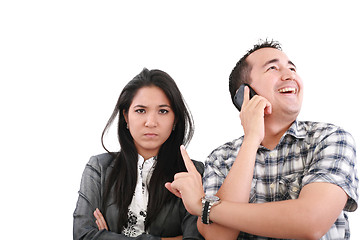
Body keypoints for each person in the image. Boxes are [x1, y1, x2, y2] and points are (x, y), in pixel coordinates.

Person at [166, 40, 359, 239]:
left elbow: (311, 221)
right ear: (244, 94)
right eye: (273, 68)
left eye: (292, 68)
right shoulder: (220, 158)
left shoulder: (329, 138)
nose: (289, 75)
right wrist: (251, 139)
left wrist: (204, 207)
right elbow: (218, 236)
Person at [73, 68, 205, 240]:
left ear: (175, 119)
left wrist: (106, 236)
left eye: (163, 111)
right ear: (126, 117)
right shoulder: (99, 168)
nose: (151, 122)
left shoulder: (193, 172)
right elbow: (82, 236)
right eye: (141, 110)